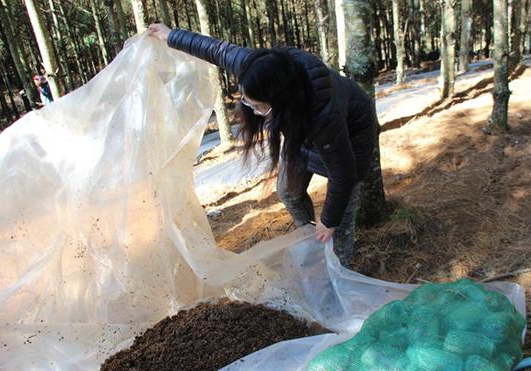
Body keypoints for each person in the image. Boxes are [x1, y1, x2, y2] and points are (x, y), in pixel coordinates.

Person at [148, 23, 378, 267]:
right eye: (249, 103)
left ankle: (341, 268)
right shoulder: (257, 69)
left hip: (352, 138)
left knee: (339, 221)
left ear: (283, 102)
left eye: (260, 107)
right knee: (288, 192)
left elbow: (343, 174)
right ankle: (311, 240)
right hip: (301, 133)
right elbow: (216, 49)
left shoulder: (324, 115)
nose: (255, 113)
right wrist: (171, 36)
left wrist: (329, 220)